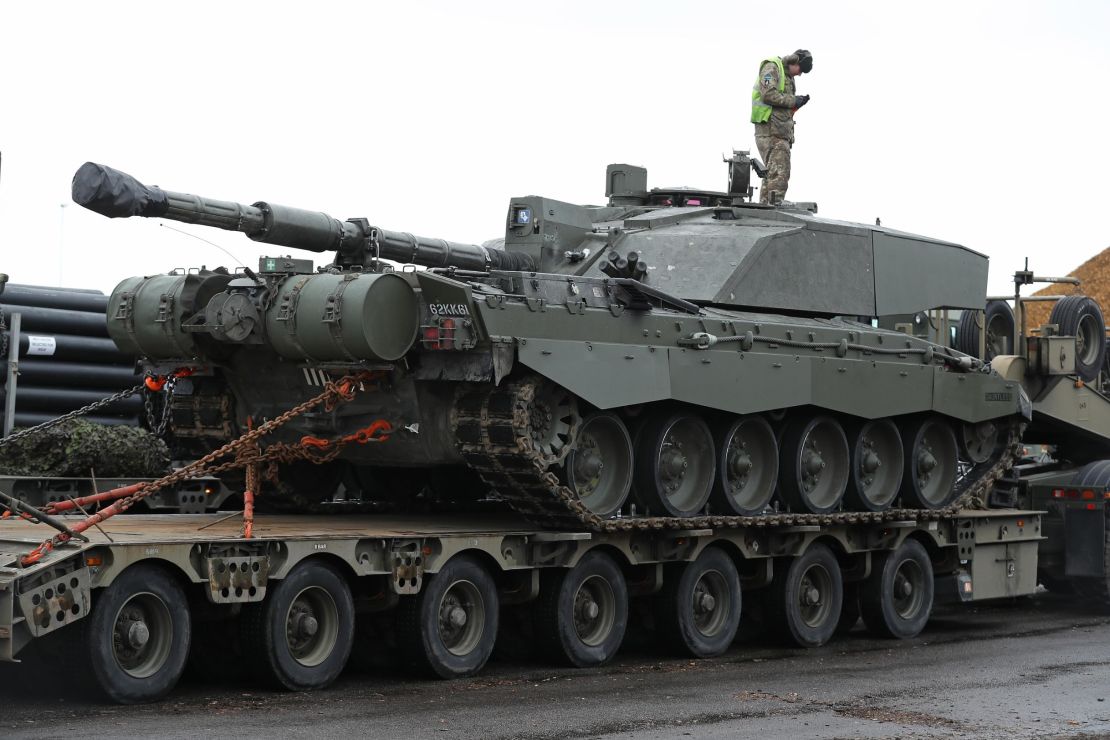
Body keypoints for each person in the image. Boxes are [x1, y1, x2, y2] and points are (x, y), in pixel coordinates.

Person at [751, 49, 813, 205]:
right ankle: (774, 213)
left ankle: (765, 211)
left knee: (771, 175)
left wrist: (797, 103)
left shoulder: (788, 76)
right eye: (800, 70)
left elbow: (782, 105)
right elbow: (768, 95)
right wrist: (793, 100)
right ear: (795, 62)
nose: (800, 74)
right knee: (779, 176)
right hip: (770, 132)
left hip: (778, 131)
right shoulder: (772, 68)